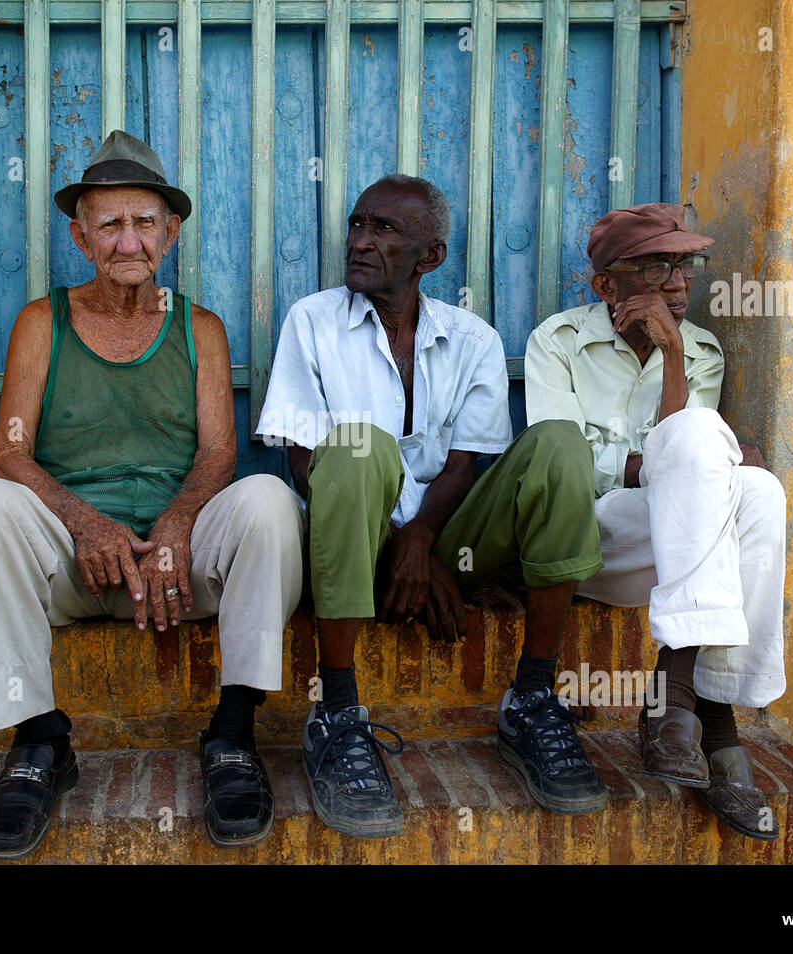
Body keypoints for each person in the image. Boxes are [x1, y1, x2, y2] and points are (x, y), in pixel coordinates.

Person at [0, 130, 304, 857]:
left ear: (169, 234)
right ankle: (40, 742)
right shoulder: (42, 324)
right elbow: (8, 448)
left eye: (144, 223)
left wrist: (174, 526)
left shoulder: (200, 329)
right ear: (81, 237)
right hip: (73, 563)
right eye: (110, 224)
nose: (128, 240)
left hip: (179, 565)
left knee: (269, 502)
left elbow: (218, 453)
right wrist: (83, 522)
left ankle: (232, 735)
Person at [257, 175, 608, 838]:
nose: (361, 241)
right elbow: (302, 460)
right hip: (351, 541)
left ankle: (532, 697)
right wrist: (395, 547)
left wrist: (421, 541)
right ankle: (336, 710)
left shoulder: (470, 337)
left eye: (384, 230)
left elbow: (464, 463)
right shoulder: (312, 321)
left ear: (431, 257)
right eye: (358, 225)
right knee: (358, 446)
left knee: (560, 444)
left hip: (448, 538)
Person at [523, 202, 786, 840]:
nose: (676, 283)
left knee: (759, 491)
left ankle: (685, 712)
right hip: (587, 542)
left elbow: (683, 468)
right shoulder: (557, 342)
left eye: (684, 265)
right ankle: (711, 723)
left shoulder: (698, 351)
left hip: (670, 550)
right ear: (606, 285)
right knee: (713, 454)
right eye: (654, 268)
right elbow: (568, 469)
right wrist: (661, 459)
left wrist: (672, 360)